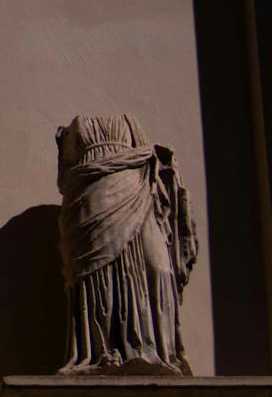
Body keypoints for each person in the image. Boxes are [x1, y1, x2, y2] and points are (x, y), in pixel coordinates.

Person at [55, 113, 196, 375]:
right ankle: (104, 351)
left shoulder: (129, 120)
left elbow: (146, 155)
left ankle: (154, 349)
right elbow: (65, 176)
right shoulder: (73, 128)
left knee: (157, 268)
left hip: (134, 186)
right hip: (92, 191)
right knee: (99, 275)